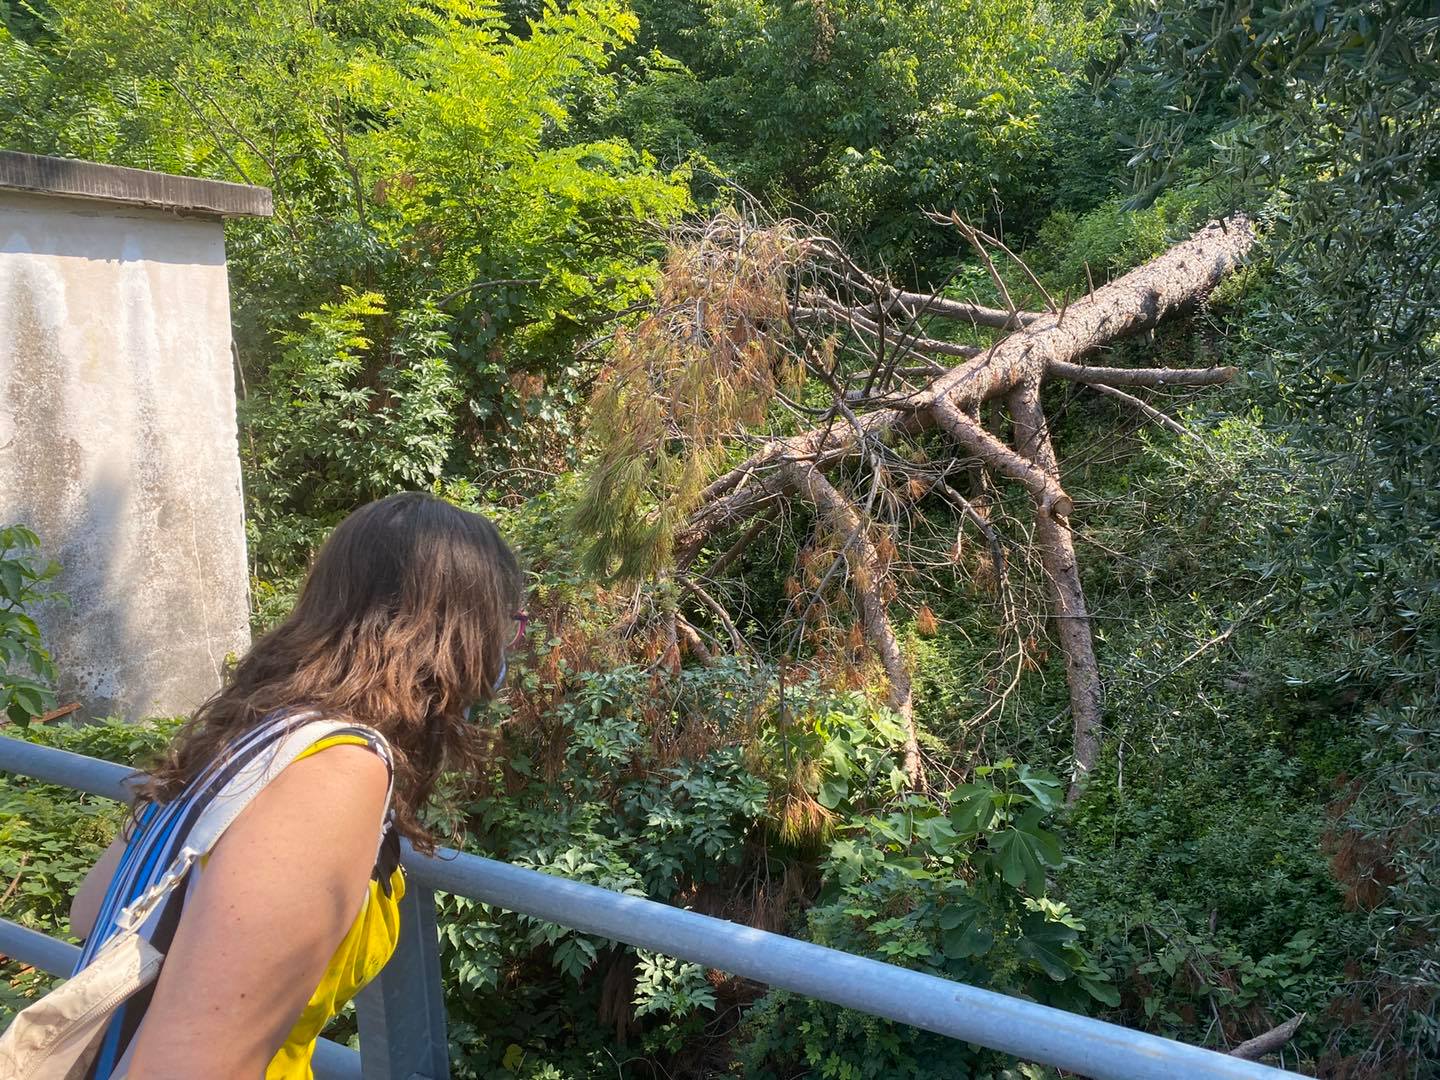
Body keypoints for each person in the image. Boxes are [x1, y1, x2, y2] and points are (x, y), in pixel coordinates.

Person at [69, 492, 525, 1079]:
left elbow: (94, 911)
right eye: (508, 626)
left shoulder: (257, 730)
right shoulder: (334, 773)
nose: (506, 649)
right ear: (460, 632)